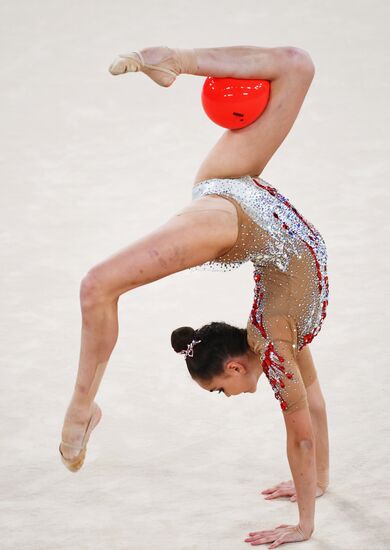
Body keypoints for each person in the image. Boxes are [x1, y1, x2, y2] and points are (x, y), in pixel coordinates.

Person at [59, 45, 330, 547]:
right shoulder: (276, 339)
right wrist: (312, 499)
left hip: (231, 205)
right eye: (221, 394)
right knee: (295, 66)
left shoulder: (274, 339)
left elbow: (306, 422)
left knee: (98, 287)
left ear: (233, 365)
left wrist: (308, 506)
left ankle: (173, 60)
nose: (229, 397)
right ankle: (82, 408)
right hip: (234, 198)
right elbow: (308, 415)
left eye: (219, 394)